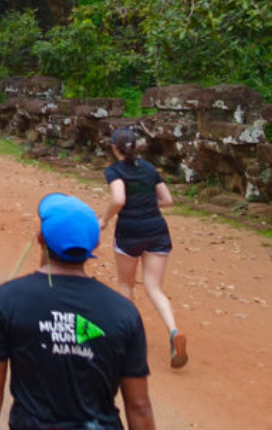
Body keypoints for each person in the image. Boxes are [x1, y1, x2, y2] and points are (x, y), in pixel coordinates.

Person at [0, 193, 155, 430]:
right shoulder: (123, 312)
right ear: (94, 246)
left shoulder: (5, 301)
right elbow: (139, 405)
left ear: (40, 239)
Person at [99, 126, 189, 369]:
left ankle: (127, 338)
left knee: (126, 285)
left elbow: (118, 199)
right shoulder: (149, 169)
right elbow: (168, 200)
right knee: (154, 287)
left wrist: (104, 219)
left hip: (130, 231)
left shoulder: (114, 171)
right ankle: (173, 330)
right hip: (157, 230)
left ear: (114, 148)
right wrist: (148, 206)